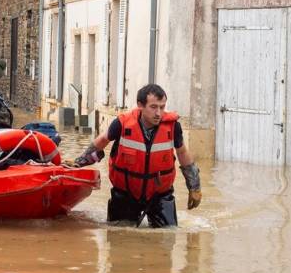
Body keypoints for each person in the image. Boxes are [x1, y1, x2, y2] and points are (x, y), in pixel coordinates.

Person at [71, 84, 202, 227]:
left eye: (162, 107)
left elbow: (182, 153)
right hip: (126, 194)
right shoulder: (122, 123)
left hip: (159, 195)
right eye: (153, 107)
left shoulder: (173, 126)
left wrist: (194, 186)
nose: (159, 113)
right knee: (119, 236)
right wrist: (79, 161)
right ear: (140, 105)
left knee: (168, 235)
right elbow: (102, 141)